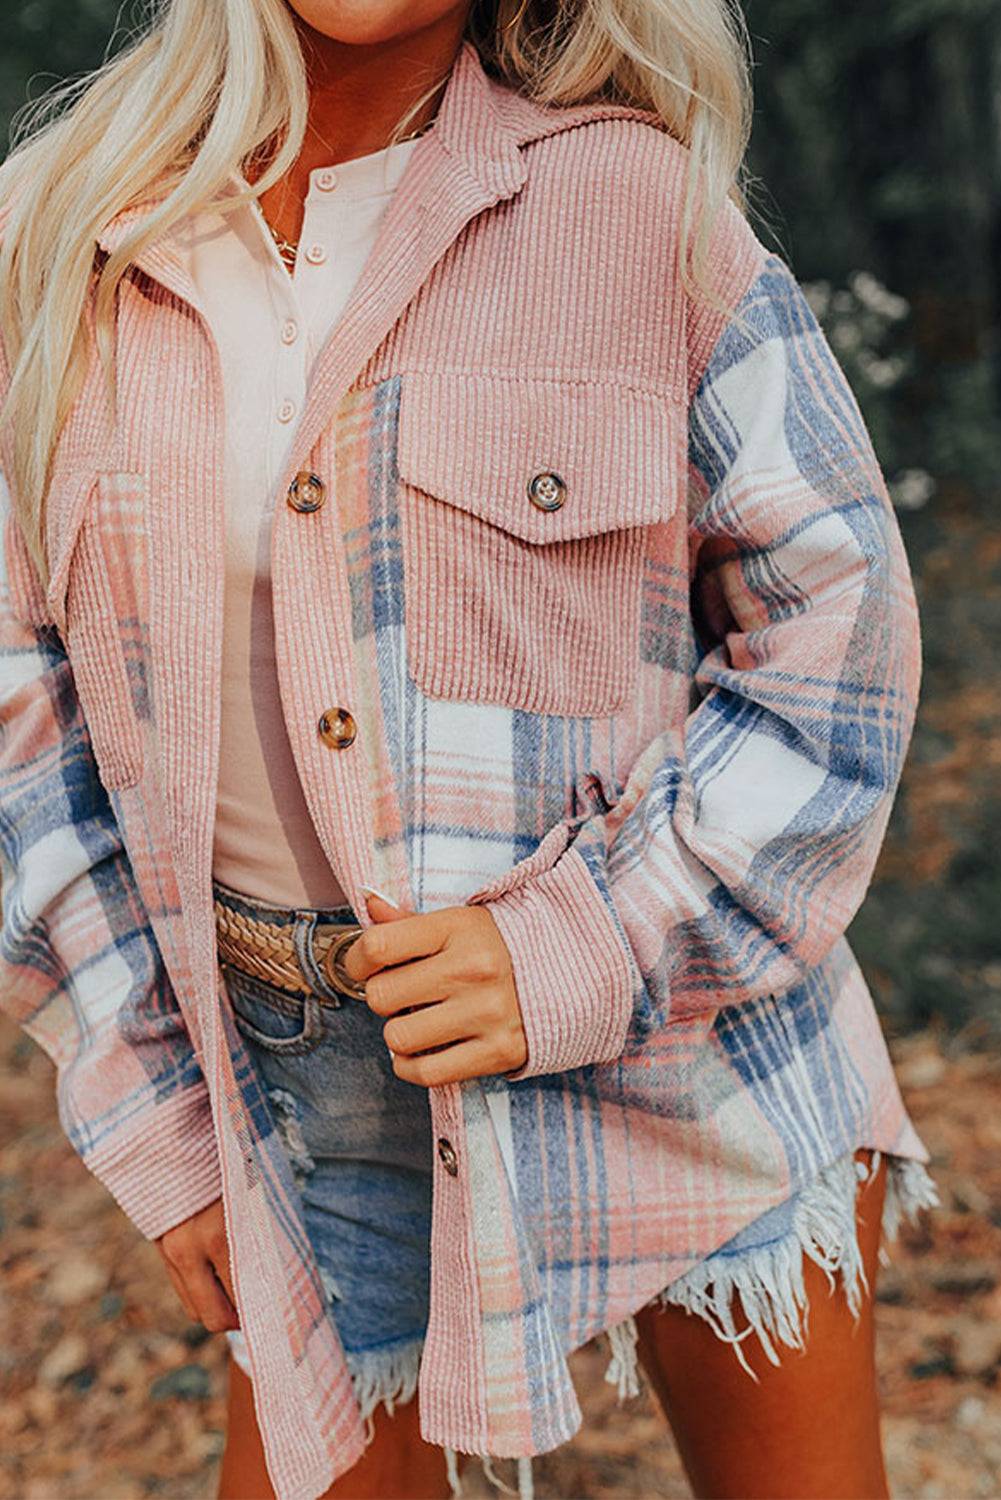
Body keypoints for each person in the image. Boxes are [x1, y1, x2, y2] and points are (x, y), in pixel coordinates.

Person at [0, 2, 938, 1498]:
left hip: (684, 1042)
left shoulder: (640, 211)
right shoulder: (71, 232)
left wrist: (579, 941)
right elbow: (20, 719)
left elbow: (841, 632)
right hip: (300, 1098)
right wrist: (160, 1112)